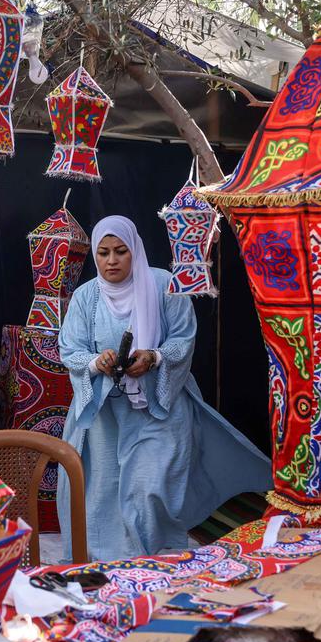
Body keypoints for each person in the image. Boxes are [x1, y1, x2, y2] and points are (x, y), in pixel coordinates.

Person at [57, 215, 271, 561]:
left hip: (159, 409)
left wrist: (154, 357)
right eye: (104, 253)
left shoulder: (163, 285)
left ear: (135, 250)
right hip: (106, 416)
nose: (112, 261)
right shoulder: (86, 297)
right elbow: (71, 350)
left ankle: (153, 561)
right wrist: (98, 362)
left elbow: (184, 339)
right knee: (104, 491)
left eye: (121, 251)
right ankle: (112, 565)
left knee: (149, 489)